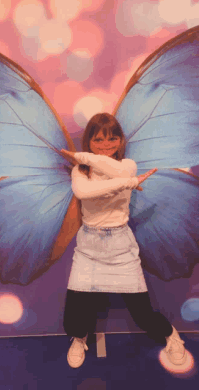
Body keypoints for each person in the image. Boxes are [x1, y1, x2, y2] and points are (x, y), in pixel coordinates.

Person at [60, 113, 186, 369]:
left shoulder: (128, 165)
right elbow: (83, 192)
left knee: (143, 315)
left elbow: (115, 171)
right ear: (89, 141)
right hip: (89, 248)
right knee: (74, 316)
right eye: (98, 140)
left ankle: (172, 336)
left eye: (112, 139)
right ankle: (79, 338)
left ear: (120, 141)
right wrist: (129, 184)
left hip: (120, 246)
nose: (105, 146)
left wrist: (83, 155)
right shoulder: (80, 171)